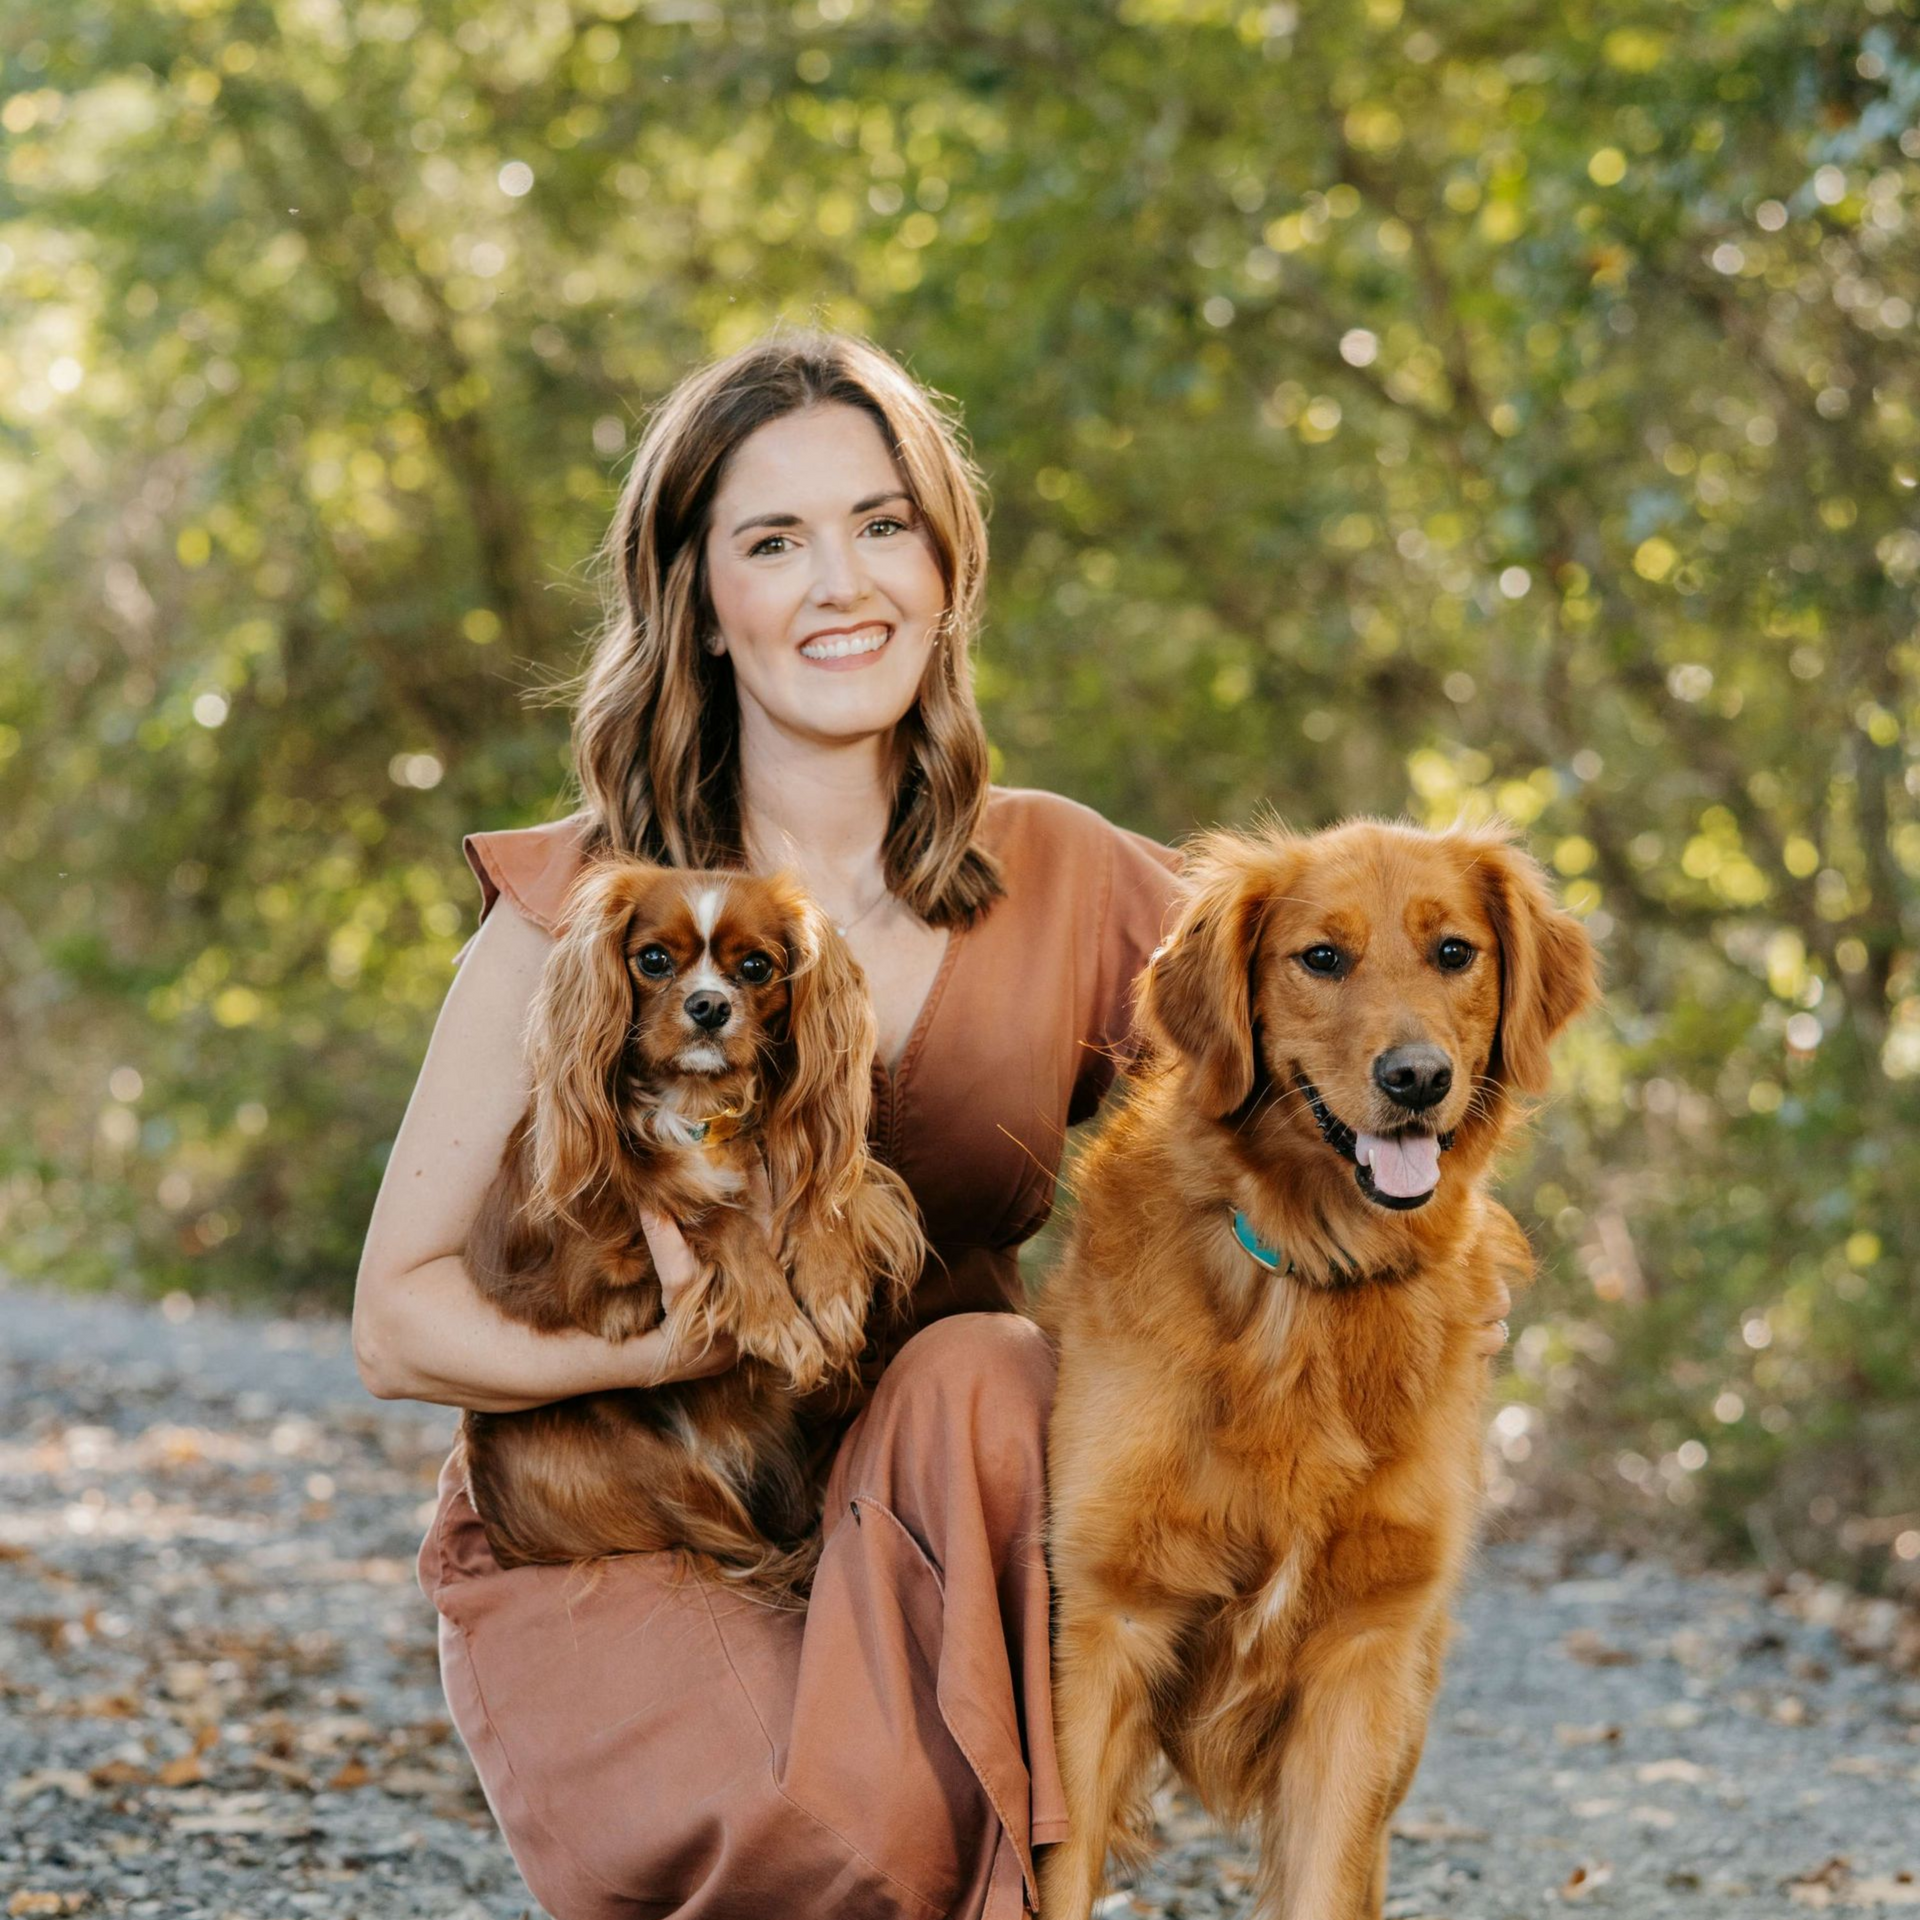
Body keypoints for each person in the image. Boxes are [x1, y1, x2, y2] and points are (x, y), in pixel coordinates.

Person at [351, 330, 1510, 1919]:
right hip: (636, 1512)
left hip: (933, 1528)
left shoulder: (1074, 878)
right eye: (775, 541)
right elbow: (396, 1322)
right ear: (698, 604)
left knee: (991, 1367)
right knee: (841, 1841)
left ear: (947, 563)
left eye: (882, 523)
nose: (843, 582)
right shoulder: (586, 913)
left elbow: (1314, 1051)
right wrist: (658, 1350)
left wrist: (1368, 1383)